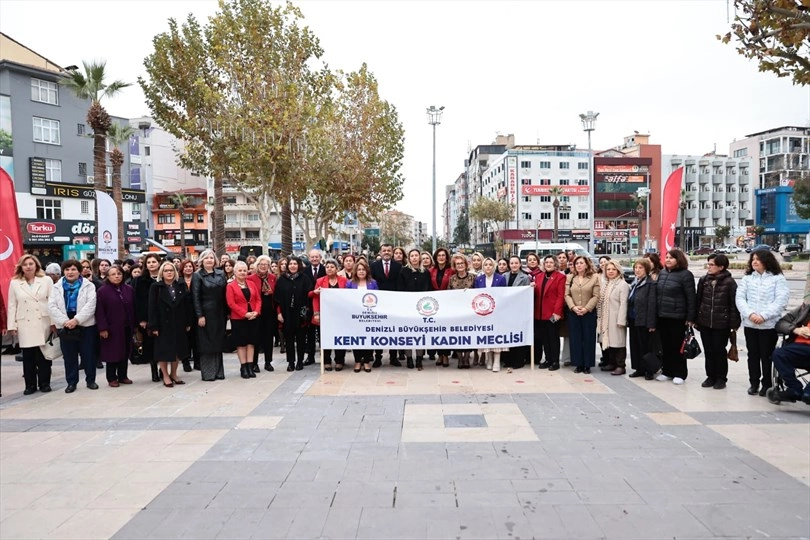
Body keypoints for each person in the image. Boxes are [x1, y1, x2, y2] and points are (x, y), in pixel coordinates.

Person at [736, 249, 789, 396]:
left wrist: (764, 316)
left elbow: (781, 301)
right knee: (753, 355)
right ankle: (754, 383)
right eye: (753, 259)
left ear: (767, 261)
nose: (755, 261)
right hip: (750, 323)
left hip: (768, 325)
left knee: (767, 355)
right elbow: (740, 298)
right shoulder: (747, 278)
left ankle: (767, 384)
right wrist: (750, 314)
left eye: (758, 259)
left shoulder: (778, 278)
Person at [5, 254, 53, 395]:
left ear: (36, 265)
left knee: (44, 356)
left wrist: (54, 322)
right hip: (24, 322)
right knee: (28, 357)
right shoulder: (15, 282)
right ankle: (30, 385)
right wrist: (12, 326)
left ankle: (45, 383)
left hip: (43, 321)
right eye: (25, 264)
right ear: (21, 267)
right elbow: (12, 305)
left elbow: (52, 302)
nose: (28, 266)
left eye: (31, 264)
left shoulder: (46, 280)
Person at [49, 259, 98, 393]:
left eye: (73, 269)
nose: (70, 272)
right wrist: (65, 321)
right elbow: (52, 306)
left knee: (88, 354)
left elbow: (91, 305)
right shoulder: (56, 287)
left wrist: (76, 320)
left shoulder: (89, 286)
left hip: (85, 324)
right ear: (63, 272)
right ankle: (71, 382)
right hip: (65, 324)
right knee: (69, 356)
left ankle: (91, 380)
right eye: (67, 269)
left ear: (79, 271)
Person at [695, 254, 741, 390]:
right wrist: (695, 319)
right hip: (705, 322)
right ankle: (710, 376)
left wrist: (733, 324)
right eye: (708, 264)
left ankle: (721, 378)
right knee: (708, 350)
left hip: (721, 323)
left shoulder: (730, 282)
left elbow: (733, 305)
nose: (709, 267)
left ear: (721, 267)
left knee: (719, 351)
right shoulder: (704, 280)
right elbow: (698, 301)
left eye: (712, 265)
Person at [148, 261, 192, 387]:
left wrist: (188, 322)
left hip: (178, 322)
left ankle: (174, 373)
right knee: (164, 351)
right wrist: (153, 326)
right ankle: (165, 375)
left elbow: (187, 305)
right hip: (163, 324)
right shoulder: (156, 287)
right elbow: (152, 307)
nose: (169, 273)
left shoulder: (181, 285)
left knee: (178, 350)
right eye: (166, 270)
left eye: (171, 270)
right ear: (162, 272)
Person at [655, 249, 697, 385]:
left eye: (671, 258)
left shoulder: (686, 275)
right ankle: (667, 371)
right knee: (665, 346)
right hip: (663, 315)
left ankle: (680, 373)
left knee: (677, 346)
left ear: (678, 260)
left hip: (678, 317)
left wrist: (690, 318)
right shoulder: (662, 273)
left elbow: (691, 298)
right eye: (666, 257)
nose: (668, 260)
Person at [95, 265, 135, 387]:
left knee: (125, 351)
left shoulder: (128, 289)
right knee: (112, 352)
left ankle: (123, 375)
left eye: (119, 274)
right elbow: (99, 311)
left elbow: (134, 307)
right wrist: (102, 328)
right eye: (113, 274)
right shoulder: (103, 291)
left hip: (127, 326)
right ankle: (111, 377)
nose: (117, 276)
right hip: (111, 327)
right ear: (108, 277)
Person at [192, 249, 228, 381]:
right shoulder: (198, 275)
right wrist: (199, 315)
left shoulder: (221, 273)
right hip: (206, 313)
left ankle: (219, 372)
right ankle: (208, 373)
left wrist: (227, 313)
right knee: (206, 343)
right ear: (202, 260)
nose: (209, 260)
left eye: (211, 258)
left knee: (218, 341)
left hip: (220, 313)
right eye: (206, 258)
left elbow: (225, 294)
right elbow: (195, 297)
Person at [275, 257, 314, 372]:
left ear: (299, 265)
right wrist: (279, 313)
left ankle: (300, 361)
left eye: (295, 264)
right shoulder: (282, 280)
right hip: (287, 314)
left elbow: (309, 295)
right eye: (290, 264)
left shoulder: (305, 279)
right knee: (289, 340)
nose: (292, 266)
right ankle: (291, 362)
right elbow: (277, 299)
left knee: (301, 339)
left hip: (301, 315)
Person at [226, 261, 262, 379]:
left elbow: (258, 299)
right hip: (239, 318)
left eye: (244, 270)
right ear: (235, 272)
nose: (242, 273)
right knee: (241, 343)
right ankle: (243, 366)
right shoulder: (230, 286)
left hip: (253, 317)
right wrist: (244, 313)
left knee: (251, 342)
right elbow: (231, 303)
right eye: (240, 270)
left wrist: (256, 312)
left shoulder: (251, 284)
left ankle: (250, 366)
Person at [310, 259, 347, 371]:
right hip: (325, 314)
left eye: (332, 267)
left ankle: (340, 360)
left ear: (337, 269)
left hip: (340, 315)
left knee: (340, 337)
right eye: (327, 267)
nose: (329, 269)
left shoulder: (344, 281)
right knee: (325, 338)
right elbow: (314, 297)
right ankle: (326, 360)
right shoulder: (320, 280)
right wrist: (316, 313)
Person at [565, 255, 600, 374]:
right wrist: (573, 307)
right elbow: (567, 295)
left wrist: (586, 308)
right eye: (576, 263)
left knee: (588, 338)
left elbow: (596, 295)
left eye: (581, 263)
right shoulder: (570, 278)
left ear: (586, 265)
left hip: (588, 313)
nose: (579, 265)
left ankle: (587, 364)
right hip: (574, 313)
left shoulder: (594, 277)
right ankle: (578, 363)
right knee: (575, 339)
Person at [397, 249, 431, 370]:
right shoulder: (403, 271)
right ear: (409, 258)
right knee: (408, 334)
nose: (415, 258)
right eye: (412, 256)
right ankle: (409, 358)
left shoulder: (425, 272)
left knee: (420, 334)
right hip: (407, 307)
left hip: (422, 308)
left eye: (417, 255)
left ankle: (419, 359)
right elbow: (400, 289)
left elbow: (428, 289)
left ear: (419, 258)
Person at [770, 302, 810, 404]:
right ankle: (794, 388)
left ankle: (808, 392)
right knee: (779, 354)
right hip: (798, 348)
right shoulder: (804, 309)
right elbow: (780, 324)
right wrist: (796, 330)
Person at [370, 243, 402, 367]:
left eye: (389, 250)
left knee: (393, 330)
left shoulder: (398, 266)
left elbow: (399, 284)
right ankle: (378, 357)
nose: (387, 252)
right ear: (380, 252)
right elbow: (371, 282)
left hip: (394, 303)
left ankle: (394, 357)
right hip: (379, 304)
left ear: (392, 252)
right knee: (379, 331)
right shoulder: (374, 266)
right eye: (384, 250)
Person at [473, 257, 507, 371]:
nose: (488, 266)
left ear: (494, 266)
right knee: (486, 336)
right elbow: (476, 294)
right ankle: (489, 359)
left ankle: (497, 360)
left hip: (497, 312)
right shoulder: (479, 279)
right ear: (483, 266)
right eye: (486, 264)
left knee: (496, 336)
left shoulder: (501, 279)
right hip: (484, 312)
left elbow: (504, 295)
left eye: (490, 265)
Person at [627, 258, 658, 380]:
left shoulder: (650, 284)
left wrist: (651, 323)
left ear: (646, 269)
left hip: (644, 320)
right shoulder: (635, 283)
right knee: (635, 346)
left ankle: (648, 370)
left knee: (645, 346)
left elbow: (652, 305)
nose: (637, 270)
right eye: (636, 268)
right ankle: (638, 368)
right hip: (633, 319)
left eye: (640, 268)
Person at [597, 260, 630, 375]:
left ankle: (621, 365)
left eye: (613, 269)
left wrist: (621, 320)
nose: (610, 271)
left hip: (616, 318)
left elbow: (624, 303)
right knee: (609, 341)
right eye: (608, 269)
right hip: (606, 318)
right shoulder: (606, 284)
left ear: (618, 270)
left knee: (618, 342)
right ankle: (612, 363)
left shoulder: (622, 284)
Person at [534, 256, 566, 371]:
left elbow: (560, 296)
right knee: (544, 338)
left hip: (552, 313)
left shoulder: (560, 277)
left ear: (555, 264)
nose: (548, 264)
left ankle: (555, 361)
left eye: (551, 262)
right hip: (540, 313)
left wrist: (557, 312)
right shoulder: (538, 276)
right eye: (546, 262)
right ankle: (547, 359)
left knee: (553, 337)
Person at [134, 253, 162, 382]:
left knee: (164, 344)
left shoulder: (164, 277)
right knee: (151, 345)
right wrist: (142, 319)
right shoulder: (140, 280)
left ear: (159, 263)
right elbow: (138, 301)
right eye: (149, 262)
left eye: (154, 262)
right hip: (148, 317)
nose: (151, 264)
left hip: (164, 316)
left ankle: (163, 370)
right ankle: (154, 370)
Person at [346, 259, 378, 372]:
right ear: (355, 271)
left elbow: (377, 298)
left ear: (367, 271)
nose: (361, 271)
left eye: (363, 269)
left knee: (369, 338)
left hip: (369, 315)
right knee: (357, 339)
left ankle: (367, 361)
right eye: (359, 269)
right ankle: (358, 361)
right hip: (355, 316)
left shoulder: (373, 283)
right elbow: (347, 298)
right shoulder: (350, 283)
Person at [248, 255, 277, 373]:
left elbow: (277, 294)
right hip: (256, 311)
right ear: (257, 266)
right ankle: (254, 363)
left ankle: (268, 362)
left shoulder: (273, 278)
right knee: (255, 337)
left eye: (266, 264)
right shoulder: (251, 278)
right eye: (261, 264)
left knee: (269, 338)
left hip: (270, 311)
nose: (263, 267)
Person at [448, 253, 476, 369]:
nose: (459, 265)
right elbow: (448, 294)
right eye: (457, 264)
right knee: (458, 335)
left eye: (461, 263)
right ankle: (460, 358)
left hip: (470, 312)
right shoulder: (452, 279)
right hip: (456, 312)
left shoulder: (473, 277)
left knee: (469, 335)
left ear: (465, 264)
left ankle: (466, 357)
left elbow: (478, 292)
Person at [505, 255, 532, 372]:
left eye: (516, 263)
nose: (514, 265)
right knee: (508, 336)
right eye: (512, 263)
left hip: (519, 310)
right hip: (506, 311)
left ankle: (518, 361)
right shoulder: (504, 276)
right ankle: (508, 360)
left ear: (520, 264)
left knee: (518, 336)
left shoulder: (525, 277)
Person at [429, 247, 454, 366]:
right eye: (439, 255)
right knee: (437, 330)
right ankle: (439, 354)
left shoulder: (451, 270)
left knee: (446, 330)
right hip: (435, 304)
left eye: (443, 255)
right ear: (435, 257)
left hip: (448, 303)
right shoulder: (431, 270)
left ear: (447, 257)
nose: (441, 257)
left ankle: (446, 355)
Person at [304, 249, 326, 366]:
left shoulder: (326, 269)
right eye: (312, 257)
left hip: (323, 306)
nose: (314, 259)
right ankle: (310, 356)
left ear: (320, 257)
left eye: (316, 257)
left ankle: (325, 357)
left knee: (323, 333)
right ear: (309, 258)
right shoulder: (305, 271)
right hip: (309, 306)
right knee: (310, 333)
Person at [179, 259, 198, 372]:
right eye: (185, 266)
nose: (188, 268)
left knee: (196, 340)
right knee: (185, 340)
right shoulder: (179, 281)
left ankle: (197, 361)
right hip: (184, 314)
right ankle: (185, 362)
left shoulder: (197, 279)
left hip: (196, 313)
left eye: (190, 266)